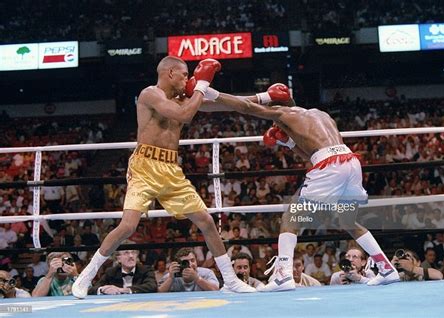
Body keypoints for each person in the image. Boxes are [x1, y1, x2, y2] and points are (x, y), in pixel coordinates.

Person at [72, 56, 255, 298]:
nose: (188, 79)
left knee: (207, 222)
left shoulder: (186, 98)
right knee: (127, 226)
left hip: (171, 168)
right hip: (144, 167)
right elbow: (184, 116)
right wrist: (200, 86)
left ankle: (230, 280)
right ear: (170, 73)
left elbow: (222, 103)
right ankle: (85, 277)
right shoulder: (150, 94)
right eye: (184, 75)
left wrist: (263, 99)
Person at [204, 84, 400, 290]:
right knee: (348, 220)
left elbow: (244, 106)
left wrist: (213, 93)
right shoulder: (320, 114)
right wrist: (288, 143)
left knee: (291, 217)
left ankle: (283, 276)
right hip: (349, 162)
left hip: (330, 167)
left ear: (275, 104)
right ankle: (386, 268)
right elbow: (315, 154)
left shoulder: (282, 113)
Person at [89, 249, 157, 295]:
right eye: (126, 253)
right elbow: (93, 289)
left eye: (133, 252)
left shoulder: (146, 270)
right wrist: (103, 289)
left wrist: (123, 290)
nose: (131, 256)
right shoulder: (111, 272)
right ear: (119, 259)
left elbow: (152, 286)